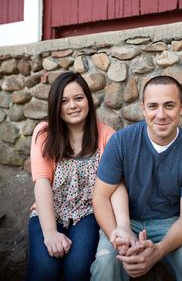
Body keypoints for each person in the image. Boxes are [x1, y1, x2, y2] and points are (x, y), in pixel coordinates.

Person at [90, 75, 182, 281]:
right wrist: (117, 233)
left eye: (169, 105)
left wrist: (159, 251)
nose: (161, 115)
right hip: (126, 220)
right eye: (153, 106)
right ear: (143, 108)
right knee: (105, 266)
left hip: (170, 223)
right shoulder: (121, 142)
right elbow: (100, 198)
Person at [25, 71, 117, 281]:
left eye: (78, 98)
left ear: (88, 100)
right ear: (56, 106)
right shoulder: (44, 133)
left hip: (88, 214)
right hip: (49, 211)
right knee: (45, 272)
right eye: (64, 101)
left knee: (77, 271)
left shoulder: (107, 135)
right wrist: (49, 232)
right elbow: (42, 183)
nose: (72, 106)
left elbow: (114, 186)